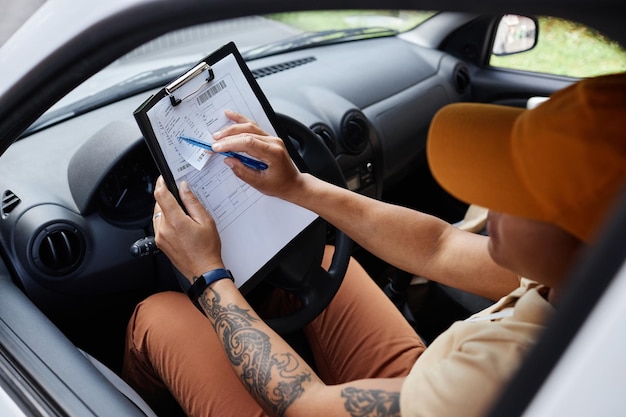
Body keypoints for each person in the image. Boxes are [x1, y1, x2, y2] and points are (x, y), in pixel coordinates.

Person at [122, 73, 626, 417]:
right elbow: (438, 246)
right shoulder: (587, 284)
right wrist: (298, 188)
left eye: (515, 191)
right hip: (426, 389)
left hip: (402, 399)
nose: (487, 201)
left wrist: (209, 276)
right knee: (320, 265)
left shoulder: (496, 380)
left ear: (592, 248)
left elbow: (305, 404)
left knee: (160, 314)